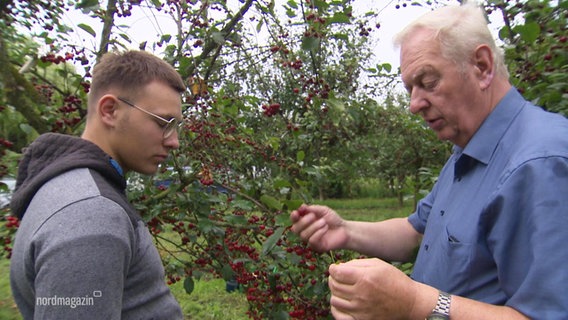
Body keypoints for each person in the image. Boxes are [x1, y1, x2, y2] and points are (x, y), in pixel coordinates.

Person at [290, 4, 568, 320]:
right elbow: (418, 231)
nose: (413, 105)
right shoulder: (467, 153)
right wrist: (345, 231)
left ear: (481, 66)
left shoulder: (541, 164)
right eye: (409, 89)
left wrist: (412, 304)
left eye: (427, 81)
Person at [10, 50, 186, 319]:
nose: (173, 141)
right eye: (164, 122)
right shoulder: (90, 213)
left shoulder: (66, 187)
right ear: (110, 111)